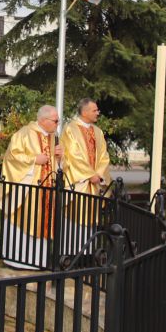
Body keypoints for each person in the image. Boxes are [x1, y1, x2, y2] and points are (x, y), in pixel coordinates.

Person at [0, 105, 64, 269]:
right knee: (24, 221)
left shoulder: (53, 137)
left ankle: (38, 261)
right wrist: (34, 160)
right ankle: (16, 259)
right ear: (43, 120)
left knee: (42, 223)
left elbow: (55, 166)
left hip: (46, 190)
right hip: (28, 191)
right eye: (55, 121)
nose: (57, 124)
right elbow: (12, 157)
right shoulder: (24, 133)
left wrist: (59, 158)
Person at [61, 98, 111, 253]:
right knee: (75, 216)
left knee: (90, 218)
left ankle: (88, 253)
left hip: (94, 183)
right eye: (94, 110)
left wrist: (99, 174)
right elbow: (72, 155)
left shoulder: (98, 131)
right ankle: (71, 253)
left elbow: (103, 156)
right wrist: (89, 175)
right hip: (78, 181)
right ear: (84, 112)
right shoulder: (70, 129)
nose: (98, 113)